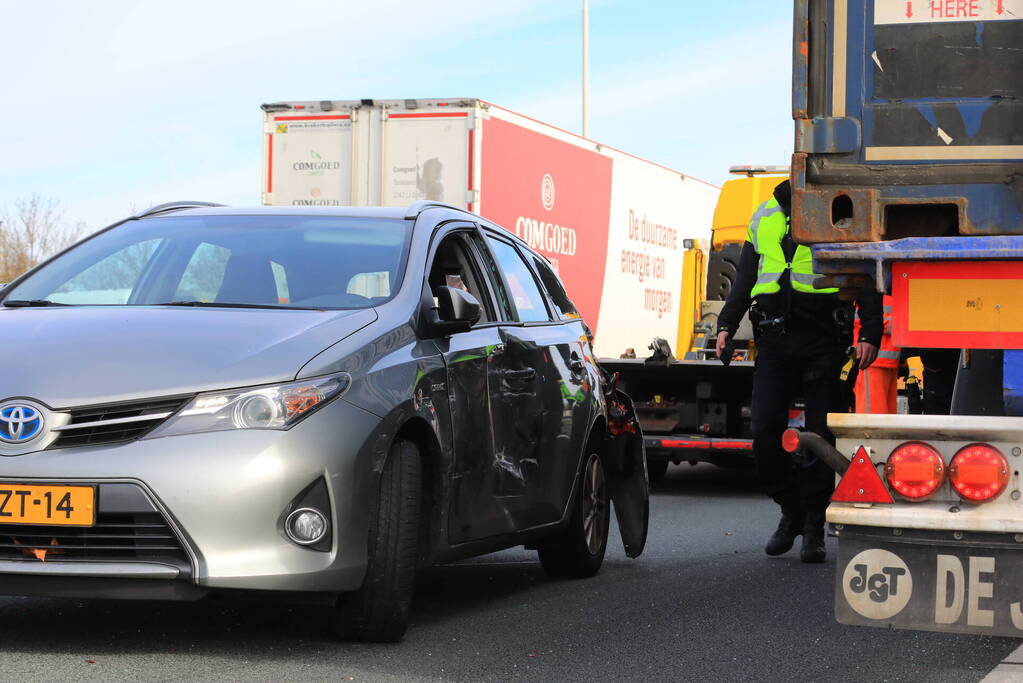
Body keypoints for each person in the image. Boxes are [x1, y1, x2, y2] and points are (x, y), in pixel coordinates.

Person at [715, 179, 882, 563]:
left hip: (825, 338)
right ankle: (789, 508)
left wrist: (870, 331)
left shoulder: (837, 210)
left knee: (821, 436)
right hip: (774, 340)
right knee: (763, 430)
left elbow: (864, 274)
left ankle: (813, 524)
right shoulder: (765, 215)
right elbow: (745, 277)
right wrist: (725, 325)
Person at [854, 295, 900, 414]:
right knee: (872, 418)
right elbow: (861, 317)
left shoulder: (892, 289)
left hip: (889, 362)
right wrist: (902, 324)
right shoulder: (870, 290)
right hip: (871, 362)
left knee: (887, 419)